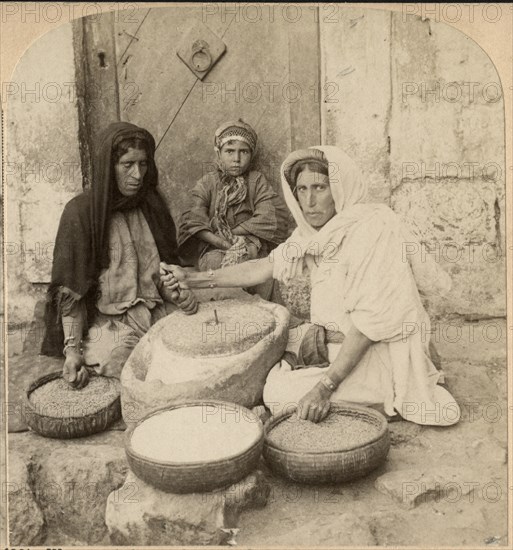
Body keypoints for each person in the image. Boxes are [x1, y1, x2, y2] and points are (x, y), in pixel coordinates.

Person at [162, 146, 460, 426]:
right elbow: (264, 267)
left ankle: (384, 397)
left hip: (380, 351)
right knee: (269, 363)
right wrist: (194, 279)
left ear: (340, 189)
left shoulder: (373, 230)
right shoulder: (318, 233)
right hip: (338, 340)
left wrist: (324, 387)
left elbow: (368, 327)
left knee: (278, 393)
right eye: (302, 189)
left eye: (320, 187)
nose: (309, 200)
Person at [41, 122, 197, 389]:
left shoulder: (152, 205)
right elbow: (71, 293)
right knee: (127, 368)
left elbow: (166, 273)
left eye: (143, 164)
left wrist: (181, 295)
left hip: (156, 311)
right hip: (110, 324)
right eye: (127, 165)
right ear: (108, 167)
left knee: (194, 352)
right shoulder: (80, 213)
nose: (137, 174)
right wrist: (72, 351)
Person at [177, 119, 289, 298]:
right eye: (229, 151)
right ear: (218, 154)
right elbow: (192, 219)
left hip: (250, 246)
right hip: (215, 247)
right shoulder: (208, 182)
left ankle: (258, 312)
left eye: (243, 152)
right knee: (215, 265)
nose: (236, 159)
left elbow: (270, 215)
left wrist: (238, 236)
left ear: (251, 155)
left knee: (257, 268)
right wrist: (222, 242)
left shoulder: (256, 180)